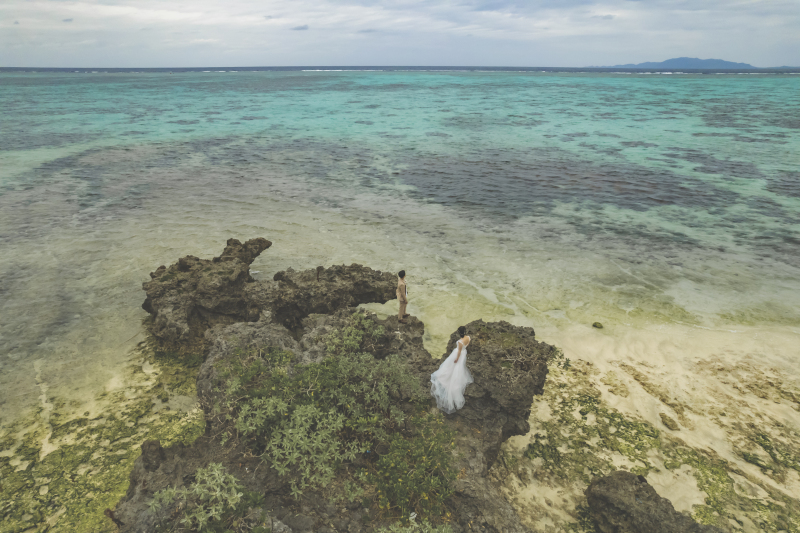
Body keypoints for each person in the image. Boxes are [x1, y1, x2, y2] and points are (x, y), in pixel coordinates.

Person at [430, 326, 474, 414]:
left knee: (450, 367)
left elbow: (458, 351)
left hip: (459, 355)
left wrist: (457, 359)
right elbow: (466, 347)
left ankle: (445, 380)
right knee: (458, 369)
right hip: (464, 354)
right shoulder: (468, 338)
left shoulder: (460, 342)